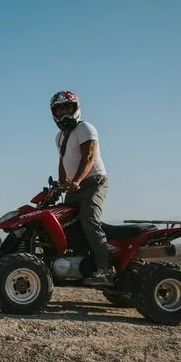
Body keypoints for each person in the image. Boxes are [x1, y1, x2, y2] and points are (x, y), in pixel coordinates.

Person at [50, 90, 113, 287]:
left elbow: (89, 157)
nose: (64, 113)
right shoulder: (60, 137)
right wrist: (60, 185)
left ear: (76, 108)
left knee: (89, 219)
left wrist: (76, 180)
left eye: (67, 108)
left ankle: (105, 270)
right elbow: (63, 162)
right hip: (74, 187)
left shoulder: (85, 128)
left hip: (94, 182)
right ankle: (80, 265)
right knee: (67, 223)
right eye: (59, 110)